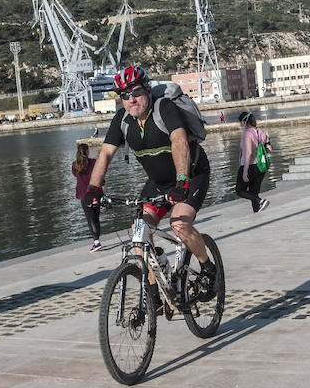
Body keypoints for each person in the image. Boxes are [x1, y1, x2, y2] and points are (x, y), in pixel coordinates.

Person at [83, 67, 215, 281]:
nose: (131, 99)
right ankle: (152, 291)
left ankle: (207, 267)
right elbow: (106, 153)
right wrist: (93, 188)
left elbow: (179, 141)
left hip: (191, 176)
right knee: (139, 233)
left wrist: (182, 182)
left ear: (148, 91)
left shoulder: (164, 109)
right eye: (125, 95)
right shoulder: (122, 120)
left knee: (179, 224)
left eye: (136, 92)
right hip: (159, 183)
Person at [235, 111, 271, 212]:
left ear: (244, 122)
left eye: (240, 122)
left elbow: (248, 152)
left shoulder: (247, 133)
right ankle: (257, 210)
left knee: (240, 191)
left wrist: (245, 171)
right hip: (260, 166)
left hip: (249, 165)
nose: (240, 124)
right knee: (253, 191)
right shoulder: (261, 132)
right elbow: (269, 149)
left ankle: (260, 201)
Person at [71, 143, 102, 251]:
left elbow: (75, 176)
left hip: (84, 195)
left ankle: (96, 241)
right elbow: (100, 176)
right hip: (96, 193)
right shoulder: (93, 162)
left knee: (90, 219)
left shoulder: (75, 165)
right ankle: (97, 239)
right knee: (96, 218)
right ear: (87, 151)